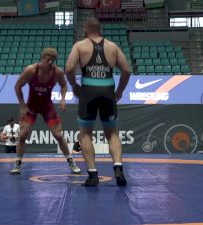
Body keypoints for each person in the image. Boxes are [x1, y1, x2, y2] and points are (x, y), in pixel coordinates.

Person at [65, 17, 131, 186]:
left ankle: (93, 174)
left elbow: (69, 69)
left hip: (88, 92)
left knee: (85, 134)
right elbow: (126, 70)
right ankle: (118, 168)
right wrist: (120, 91)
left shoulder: (80, 46)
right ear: (100, 30)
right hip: (108, 91)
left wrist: (74, 85)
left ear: (86, 29)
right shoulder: (112, 46)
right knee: (112, 133)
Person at [10, 47, 81, 175]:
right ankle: (18, 163)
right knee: (22, 135)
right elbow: (17, 86)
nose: (50, 63)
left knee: (58, 135)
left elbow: (64, 85)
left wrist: (63, 99)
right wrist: (22, 106)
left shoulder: (57, 72)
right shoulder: (31, 70)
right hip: (31, 106)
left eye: (52, 60)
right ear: (42, 58)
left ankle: (71, 161)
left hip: (47, 106)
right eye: (48, 59)